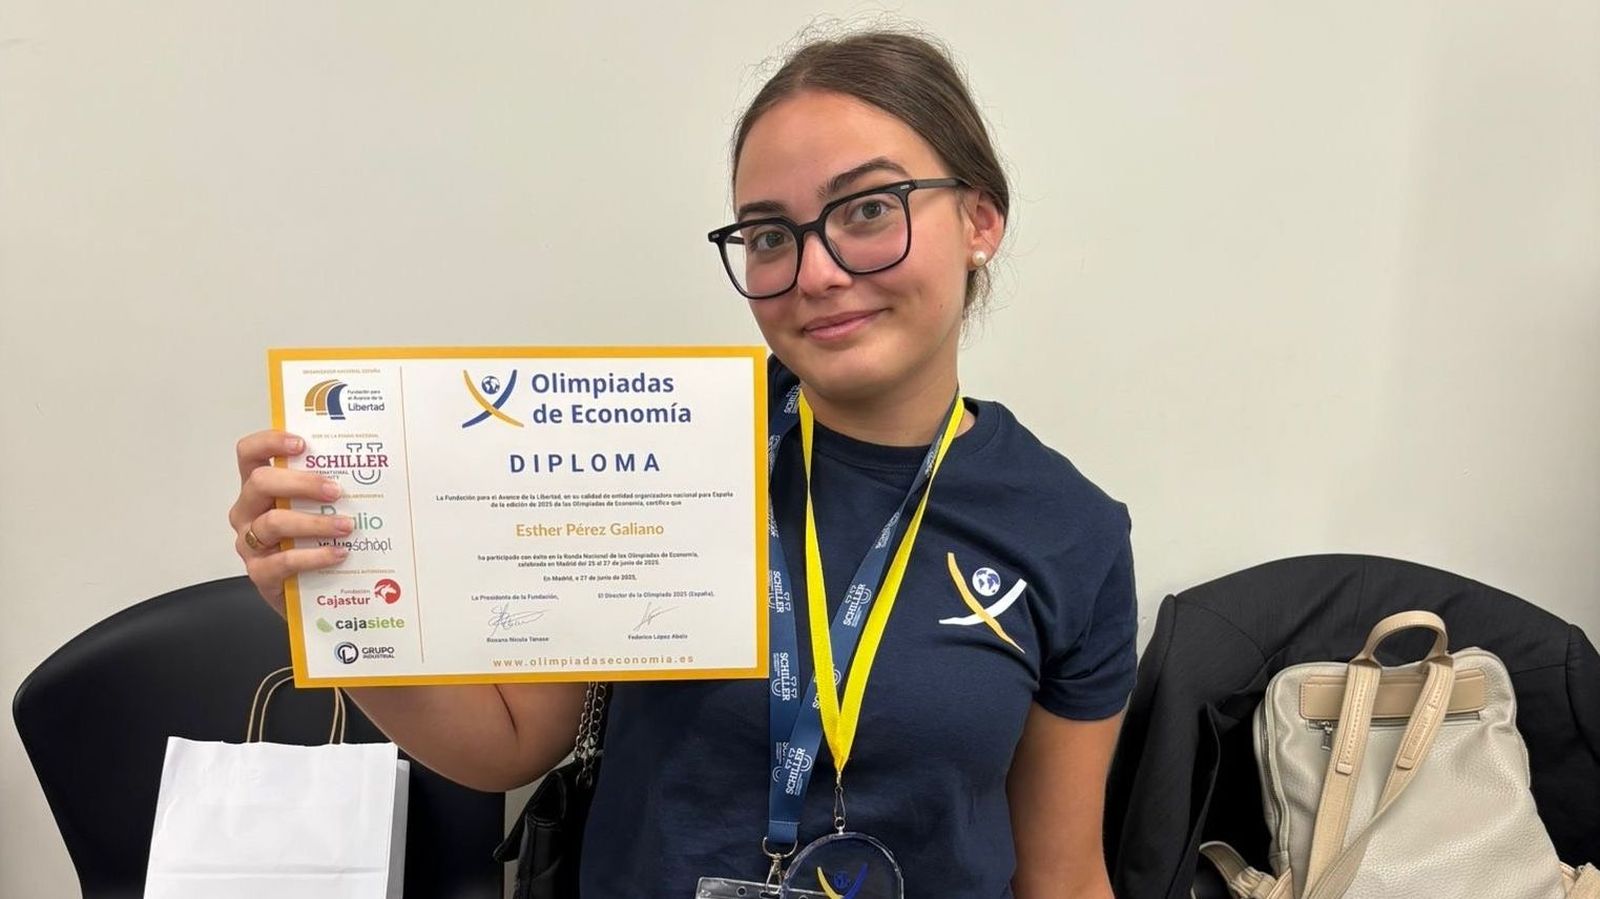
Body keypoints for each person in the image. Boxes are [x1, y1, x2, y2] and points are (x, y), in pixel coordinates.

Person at [228, 29, 1135, 898]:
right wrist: (338, 595)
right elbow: (508, 741)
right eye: (770, 234)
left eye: (867, 210)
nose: (814, 271)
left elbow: (1061, 873)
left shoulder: (1070, 531)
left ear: (980, 219)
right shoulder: (653, 454)